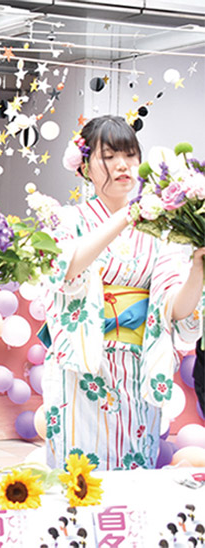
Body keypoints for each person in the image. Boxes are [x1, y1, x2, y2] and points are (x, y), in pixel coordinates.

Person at [42, 115, 204, 470]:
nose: (122, 166)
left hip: (135, 367)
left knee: (132, 474)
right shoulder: (69, 220)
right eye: (109, 156)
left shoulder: (159, 232)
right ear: (84, 166)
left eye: (130, 156)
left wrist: (197, 269)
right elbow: (67, 270)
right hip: (82, 367)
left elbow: (175, 310)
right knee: (79, 476)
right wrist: (128, 215)